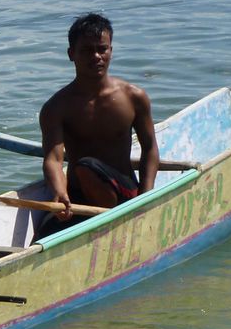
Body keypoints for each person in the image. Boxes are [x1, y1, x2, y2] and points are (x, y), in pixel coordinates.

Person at [36, 13, 159, 239]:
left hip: (123, 193)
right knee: (41, 238)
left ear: (111, 50)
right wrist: (60, 194)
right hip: (77, 199)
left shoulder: (134, 97)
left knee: (87, 166)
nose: (96, 56)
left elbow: (150, 149)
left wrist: (145, 196)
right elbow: (53, 159)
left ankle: (112, 219)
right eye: (86, 50)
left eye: (102, 49)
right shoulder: (56, 107)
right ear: (71, 54)